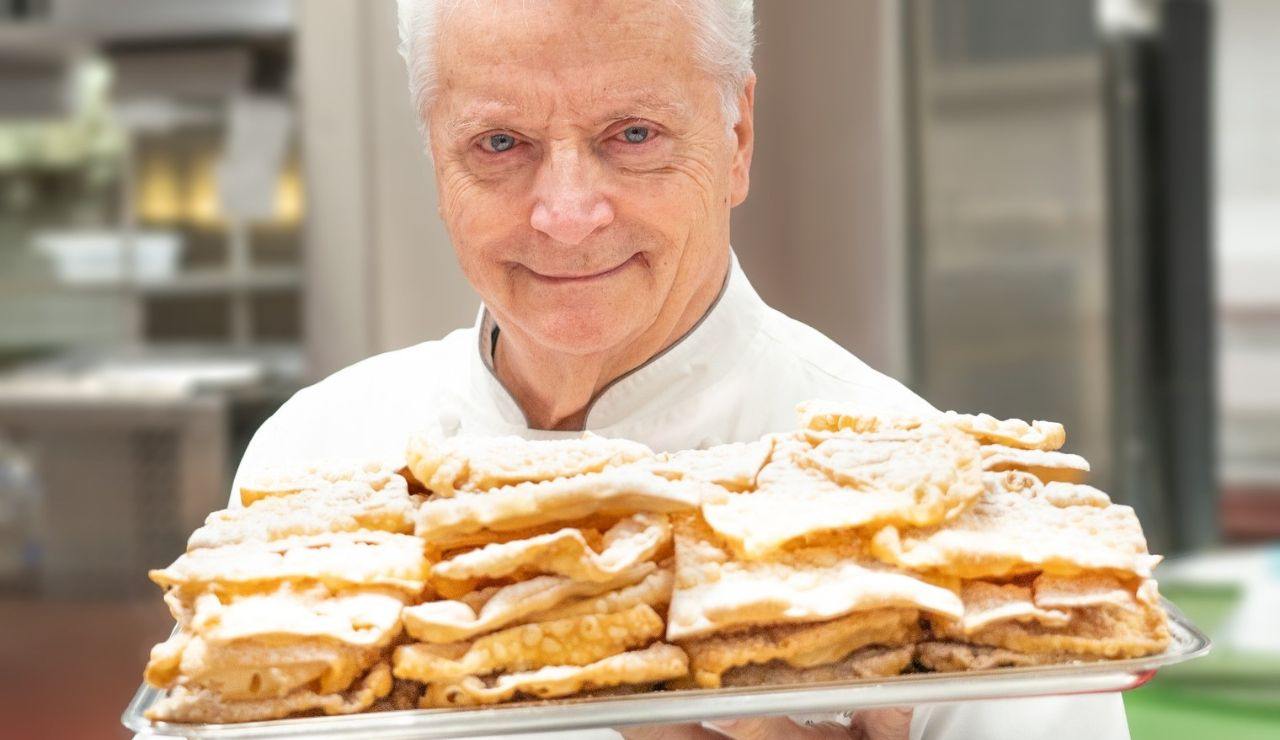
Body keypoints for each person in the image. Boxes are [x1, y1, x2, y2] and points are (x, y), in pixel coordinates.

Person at [234, 1, 1132, 737]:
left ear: (737, 136)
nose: (568, 214)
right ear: (435, 151)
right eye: (500, 144)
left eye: (633, 133)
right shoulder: (306, 464)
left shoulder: (982, 550)